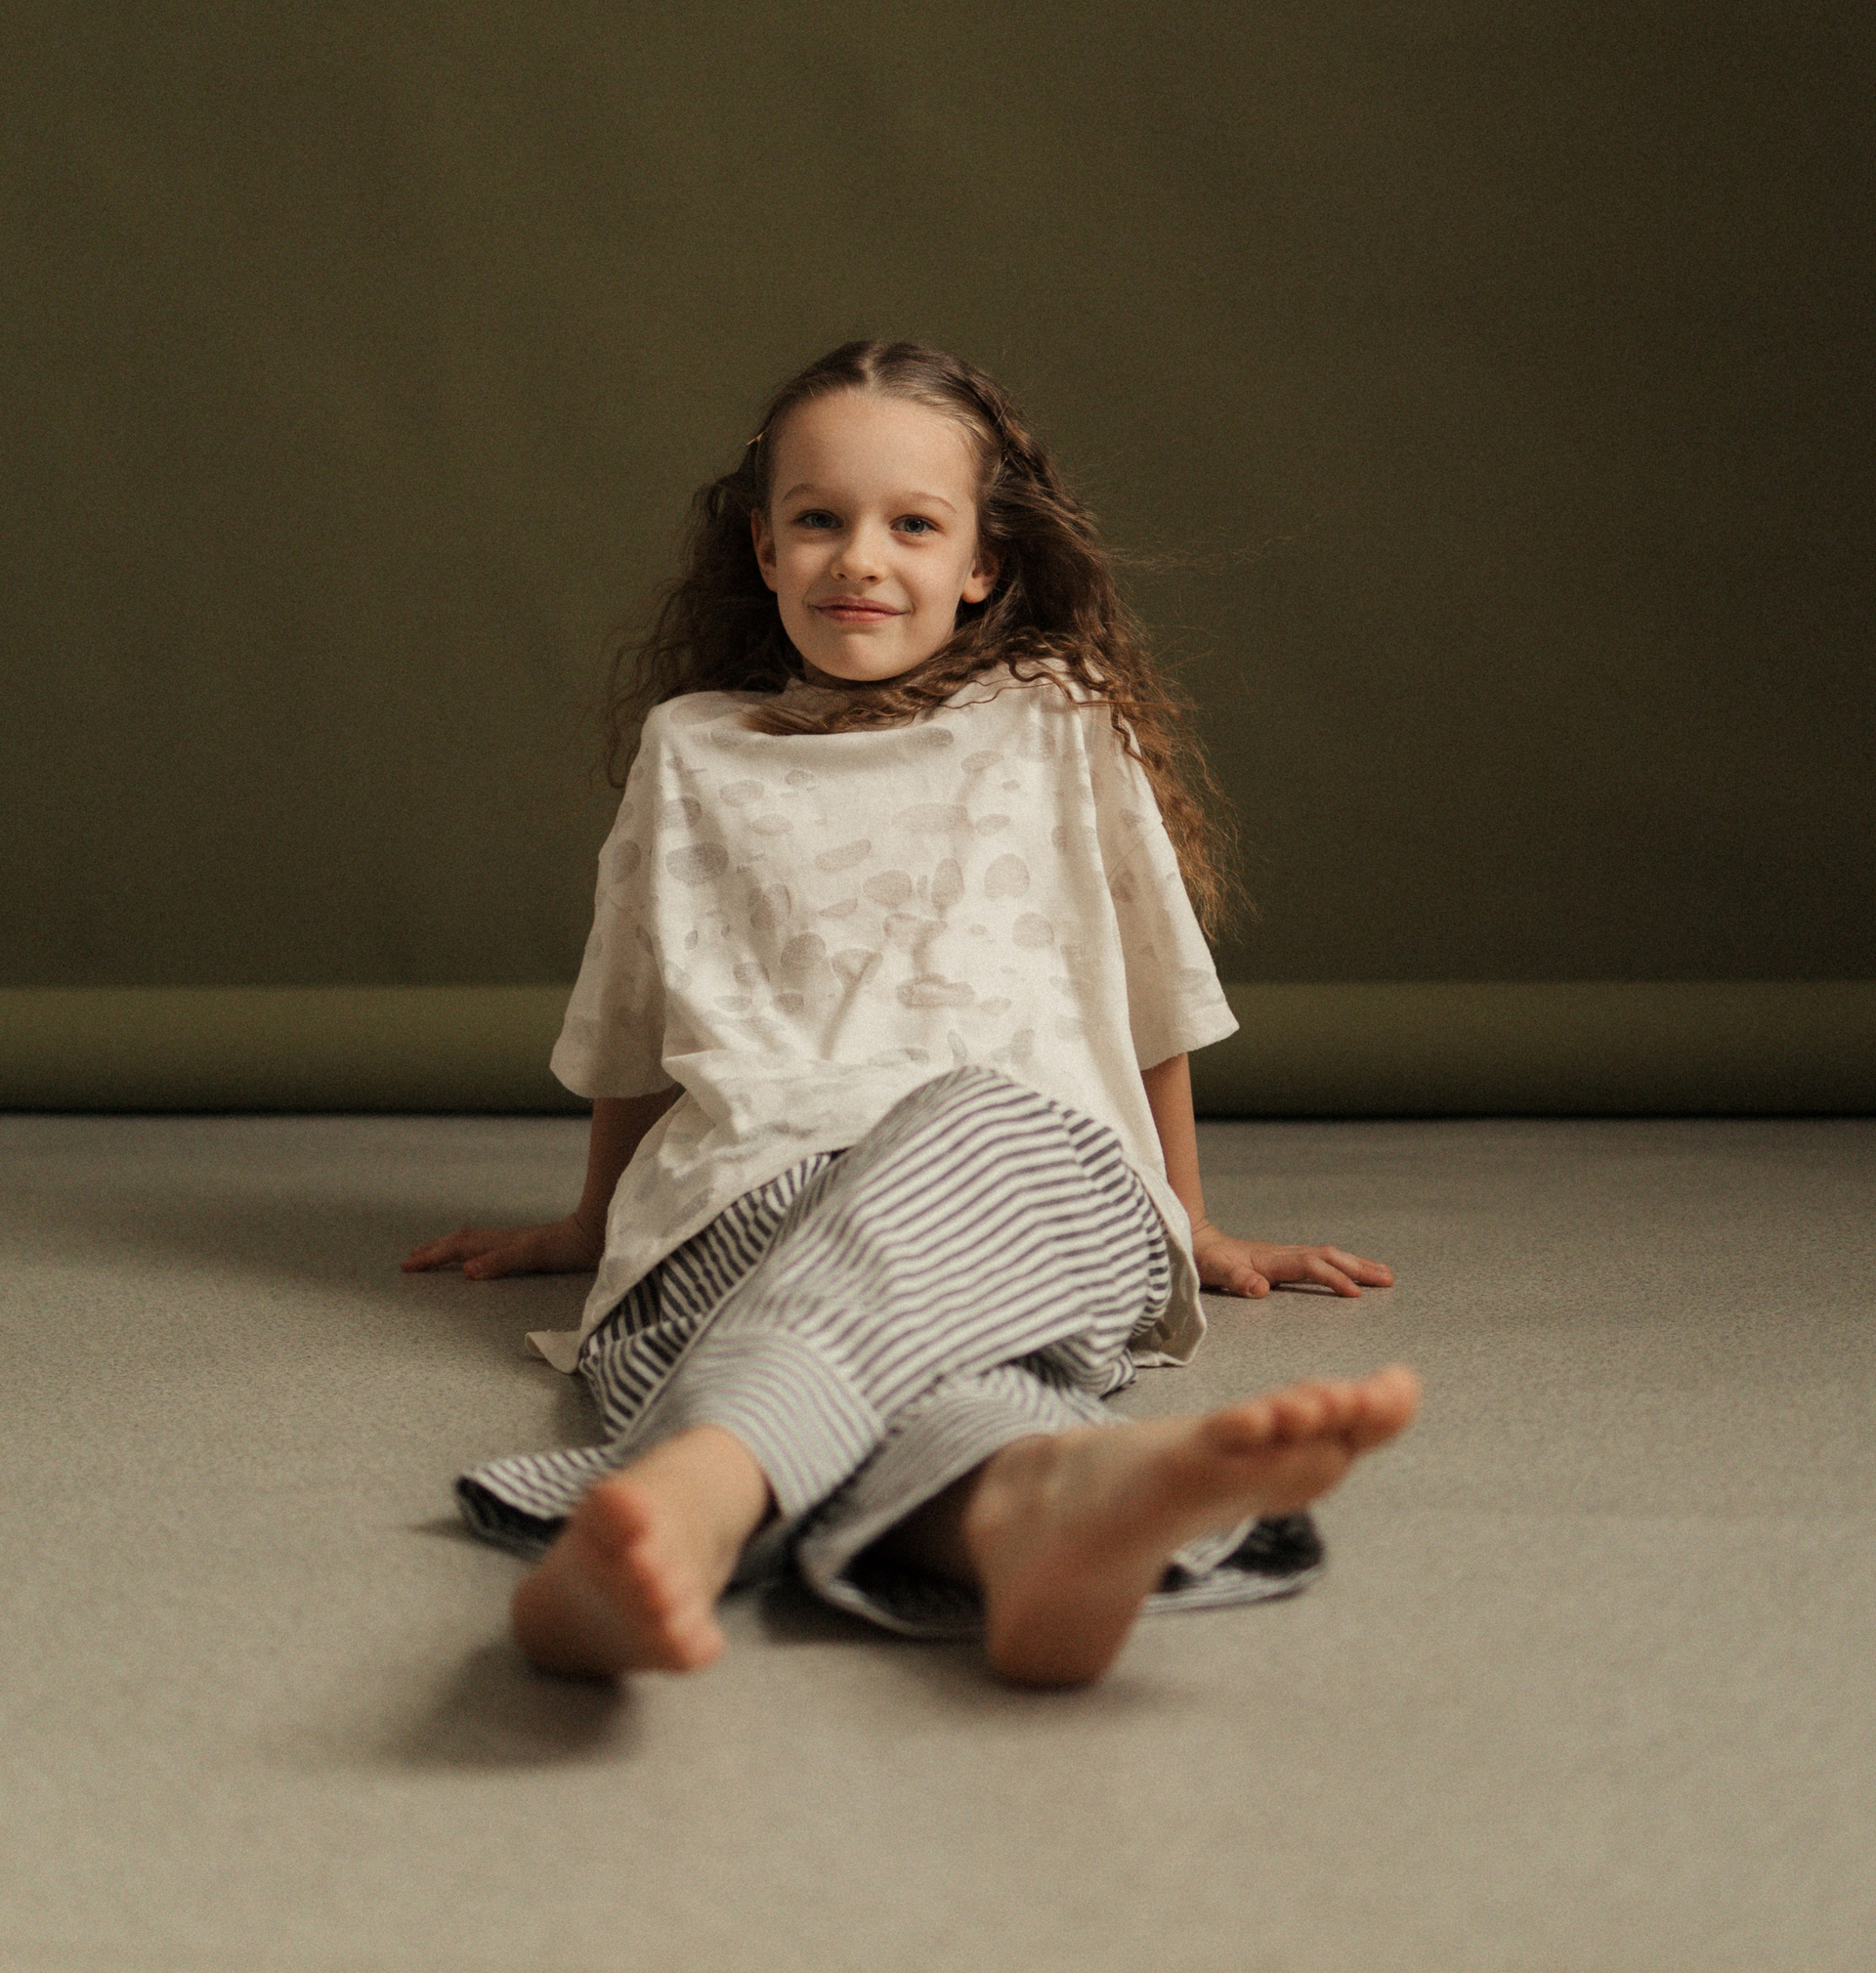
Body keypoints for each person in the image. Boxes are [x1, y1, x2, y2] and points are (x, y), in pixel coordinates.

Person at [405, 340, 1418, 1688]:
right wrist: (597, 1226)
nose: (860, 560)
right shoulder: (695, 747)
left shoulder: (1058, 721)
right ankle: (1022, 1511)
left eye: (914, 526)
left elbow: (1146, 994)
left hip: (1034, 1177)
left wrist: (1193, 1219)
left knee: (977, 1111)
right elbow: (641, 1015)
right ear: (764, 548)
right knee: (913, 1359)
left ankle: (700, 1492)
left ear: (984, 561)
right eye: (819, 519)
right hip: (758, 1188)